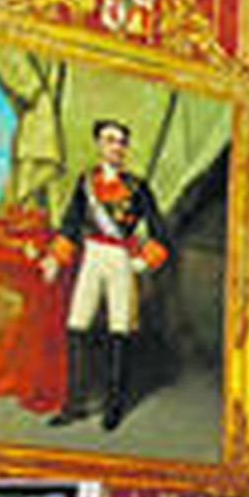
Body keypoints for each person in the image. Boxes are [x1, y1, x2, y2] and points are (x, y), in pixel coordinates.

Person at [38, 118, 168, 431]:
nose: (116, 147)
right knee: (77, 325)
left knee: (119, 329)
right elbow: (71, 222)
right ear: (99, 144)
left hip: (122, 259)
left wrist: (145, 261)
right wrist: (55, 258)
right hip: (92, 256)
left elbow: (159, 230)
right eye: (110, 140)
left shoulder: (138, 187)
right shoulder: (85, 183)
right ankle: (74, 404)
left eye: (121, 142)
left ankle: (114, 406)